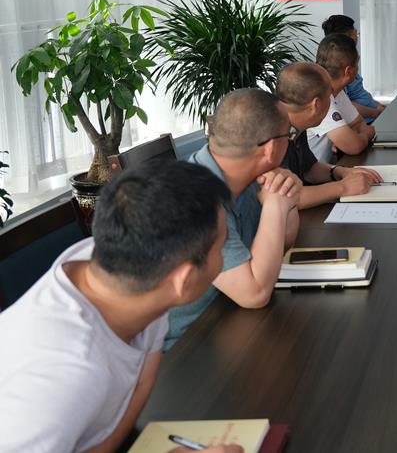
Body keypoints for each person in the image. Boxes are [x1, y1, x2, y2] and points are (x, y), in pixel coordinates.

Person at [0, 162, 241, 453]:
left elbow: (139, 386)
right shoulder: (64, 377)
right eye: (221, 248)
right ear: (184, 279)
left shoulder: (121, 268)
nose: (223, 260)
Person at [166, 88, 302, 349]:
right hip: (181, 352)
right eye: (290, 134)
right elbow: (254, 294)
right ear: (271, 147)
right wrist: (275, 205)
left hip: (224, 320)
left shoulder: (244, 174)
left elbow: (285, 242)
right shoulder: (195, 200)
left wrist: (286, 194)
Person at [276, 61, 383, 208]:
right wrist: (343, 187)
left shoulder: (296, 125)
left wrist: (341, 172)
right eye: (329, 98)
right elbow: (286, 198)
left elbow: (310, 169)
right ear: (316, 105)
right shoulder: (274, 137)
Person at [307, 33, 376, 161]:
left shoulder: (337, 92)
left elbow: (358, 123)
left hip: (326, 167)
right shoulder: (320, 99)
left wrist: (348, 137)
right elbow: (354, 146)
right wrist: (366, 134)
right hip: (311, 173)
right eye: (357, 64)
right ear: (348, 71)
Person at [322, 14, 386, 123]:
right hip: (366, 121)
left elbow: (359, 94)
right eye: (356, 34)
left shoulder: (344, 60)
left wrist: (379, 107)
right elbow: (346, 105)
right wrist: (376, 112)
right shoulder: (337, 69)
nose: (357, 37)